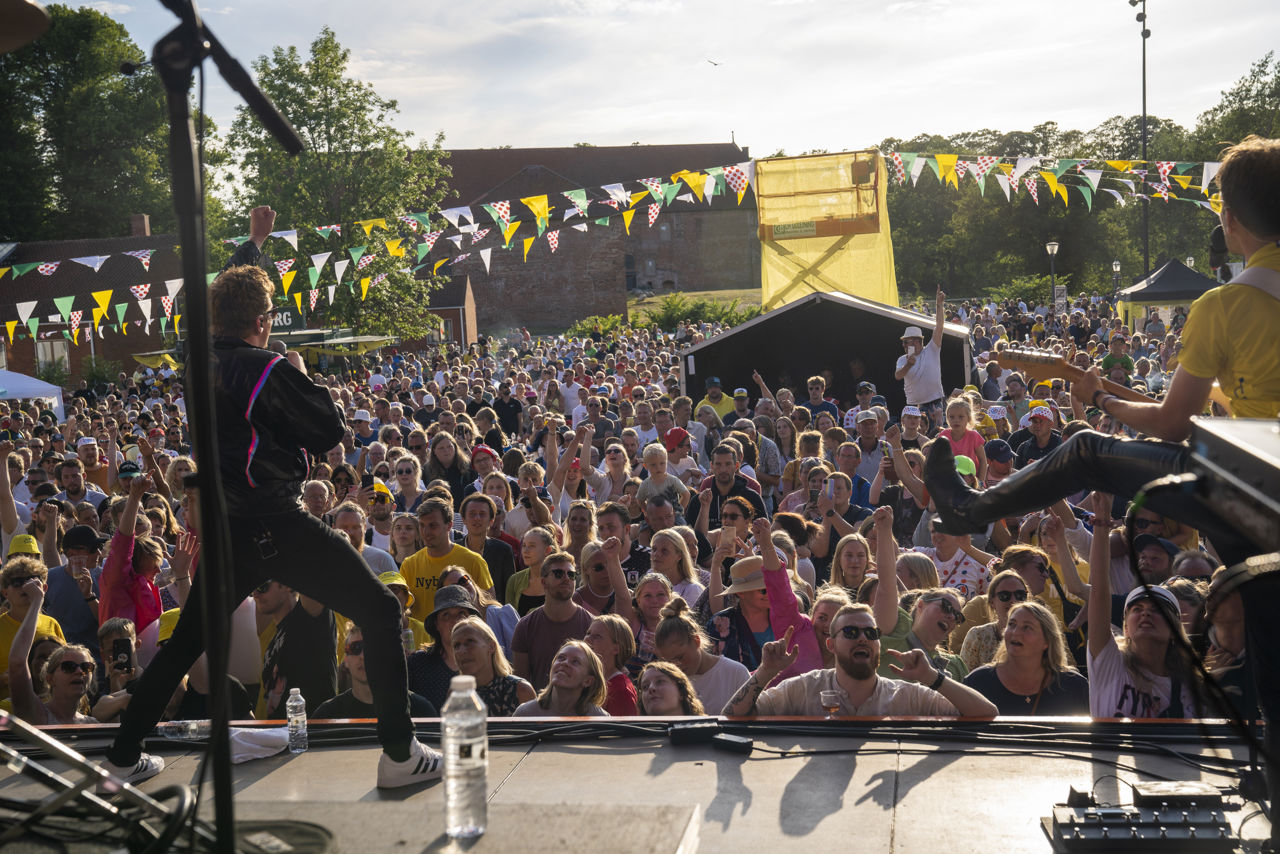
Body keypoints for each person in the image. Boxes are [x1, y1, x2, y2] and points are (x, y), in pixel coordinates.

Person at [99, 206, 442, 790]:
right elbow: (329, 431)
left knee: (186, 643)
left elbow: (223, 295)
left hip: (228, 528)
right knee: (381, 610)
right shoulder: (265, 369)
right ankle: (400, 754)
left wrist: (254, 244)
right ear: (263, 321)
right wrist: (300, 370)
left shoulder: (197, 356)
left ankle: (123, 756)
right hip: (276, 521)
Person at [926, 137, 1280, 568]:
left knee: (1086, 450)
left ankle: (968, 509)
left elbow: (1172, 424)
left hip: (1256, 490)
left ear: (1229, 218)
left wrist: (1099, 398)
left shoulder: (1224, 306)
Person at [721, 604, 997, 717]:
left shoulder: (905, 696)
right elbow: (732, 716)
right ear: (831, 644)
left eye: (871, 633)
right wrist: (766, 671)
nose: (863, 638)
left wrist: (932, 678)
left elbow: (986, 712)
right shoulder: (803, 688)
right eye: (851, 633)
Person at [1086, 492, 1200, 718]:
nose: (1146, 613)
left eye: (1157, 610)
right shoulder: (1109, 664)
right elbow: (1098, 593)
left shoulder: (1191, 688)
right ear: (1126, 627)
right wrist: (1101, 522)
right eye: (1137, 609)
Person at [963, 598, 1090, 715]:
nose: (1015, 632)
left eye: (1027, 627)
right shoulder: (978, 682)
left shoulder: (1074, 686)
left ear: (1047, 641)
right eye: (1011, 624)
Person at [6, 574, 96, 725]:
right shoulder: (35, 714)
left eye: (86, 667)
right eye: (69, 667)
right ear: (50, 678)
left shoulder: (93, 724)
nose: (79, 671)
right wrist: (37, 601)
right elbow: (17, 662)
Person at [316, 623, 438, 718]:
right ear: (346, 660)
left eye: (373, 647)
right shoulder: (327, 714)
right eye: (355, 648)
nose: (363, 656)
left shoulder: (421, 710)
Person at [510, 552, 594, 690]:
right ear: (544, 582)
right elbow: (521, 683)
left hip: (581, 702)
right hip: (540, 702)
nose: (566, 578)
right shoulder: (525, 626)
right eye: (558, 574)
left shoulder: (591, 625)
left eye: (571, 574)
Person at [654, 596, 750, 716]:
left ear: (696, 641)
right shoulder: (668, 683)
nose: (676, 666)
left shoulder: (736, 673)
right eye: (669, 662)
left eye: (680, 657)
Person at [400, 496, 493, 619]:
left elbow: (488, 609)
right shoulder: (409, 565)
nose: (426, 532)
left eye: (433, 526)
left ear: (449, 526)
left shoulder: (473, 561)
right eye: (422, 525)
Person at [450, 615, 535, 716]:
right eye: (456, 645)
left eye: (470, 642)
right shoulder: (456, 693)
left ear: (491, 647)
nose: (462, 651)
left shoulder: (520, 690)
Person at [895, 288, 947, 431]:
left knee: (936, 435)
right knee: (917, 437)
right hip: (914, 407)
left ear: (917, 342)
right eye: (904, 342)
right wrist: (908, 365)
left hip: (935, 403)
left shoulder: (931, 350)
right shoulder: (902, 359)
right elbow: (898, 376)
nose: (904, 345)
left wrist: (939, 305)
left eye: (907, 342)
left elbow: (939, 327)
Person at [513, 640, 609, 717]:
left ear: (588, 681)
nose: (565, 663)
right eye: (561, 658)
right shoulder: (525, 713)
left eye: (575, 662)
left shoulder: (599, 719)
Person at [584, 613, 638, 715]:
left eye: (597, 636)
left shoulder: (621, 690)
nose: (587, 639)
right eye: (588, 633)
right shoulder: (584, 679)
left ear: (616, 648)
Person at [637, 661, 707, 716]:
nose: (651, 688)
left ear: (681, 691)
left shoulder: (706, 728)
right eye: (645, 687)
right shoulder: (633, 730)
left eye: (660, 681)